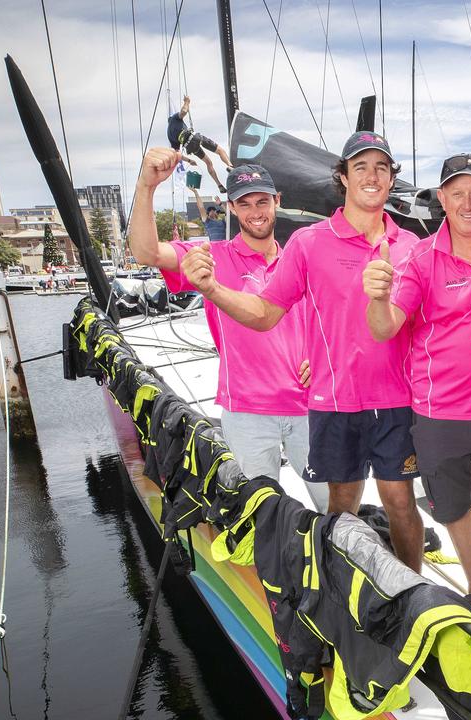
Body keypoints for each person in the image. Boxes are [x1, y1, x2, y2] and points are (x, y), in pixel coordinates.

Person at [181, 131, 427, 571]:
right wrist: (213, 289)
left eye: (381, 168)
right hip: (334, 401)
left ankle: (411, 594)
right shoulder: (310, 242)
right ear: (343, 178)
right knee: (341, 507)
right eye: (361, 167)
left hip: (396, 400)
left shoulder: (411, 247)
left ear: (391, 179)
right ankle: (344, 594)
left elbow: (419, 326)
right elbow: (264, 312)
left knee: (401, 504)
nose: (372, 176)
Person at [128, 153, 324, 511]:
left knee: (337, 507)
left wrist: (326, 359)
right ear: (232, 208)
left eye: (262, 201)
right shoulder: (210, 256)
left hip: (310, 407)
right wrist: (146, 186)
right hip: (248, 412)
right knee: (259, 514)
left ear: (277, 201)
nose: (255, 211)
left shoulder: (302, 257)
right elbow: (146, 252)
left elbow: (335, 319)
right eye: (244, 203)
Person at [363, 153, 471, 618]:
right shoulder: (421, 259)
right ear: (441, 198)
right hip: (440, 412)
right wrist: (378, 297)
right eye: (457, 192)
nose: (468, 203)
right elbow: (386, 328)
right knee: (454, 508)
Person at [167, 95, 233, 195]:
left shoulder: (169, 135)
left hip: (190, 147)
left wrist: (189, 160)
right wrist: (187, 102)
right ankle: (230, 165)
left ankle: (219, 185)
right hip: (194, 138)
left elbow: (177, 155)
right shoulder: (175, 119)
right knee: (220, 151)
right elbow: (184, 111)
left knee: (208, 163)